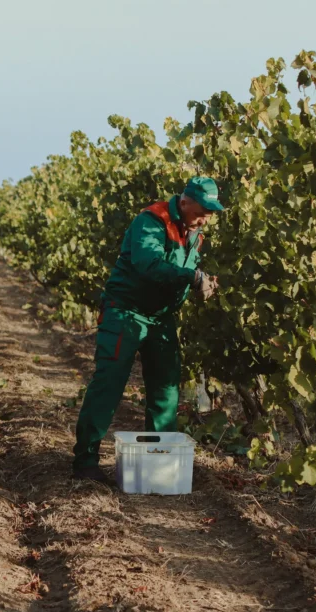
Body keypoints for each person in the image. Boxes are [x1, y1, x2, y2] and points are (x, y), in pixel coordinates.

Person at [71, 177, 223, 482]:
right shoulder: (152, 221)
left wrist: (202, 284)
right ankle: (85, 461)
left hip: (162, 318)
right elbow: (148, 263)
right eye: (202, 210)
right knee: (109, 383)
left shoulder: (195, 232)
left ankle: (159, 462)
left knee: (166, 388)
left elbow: (182, 273)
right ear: (185, 201)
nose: (206, 217)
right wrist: (193, 278)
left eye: (211, 211)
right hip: (125, 312)